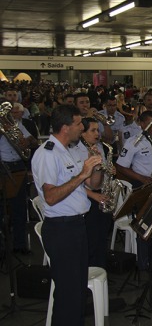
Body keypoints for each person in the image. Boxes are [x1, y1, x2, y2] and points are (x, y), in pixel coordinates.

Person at [31, 105, 103, 325]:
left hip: (76, 227)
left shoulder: (69, 150)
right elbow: (51, 196)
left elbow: (93, 184)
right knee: (67, 294)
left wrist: (96, 165)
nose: (82, 128)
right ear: (65, 127)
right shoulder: (47, 154)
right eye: (79, 123)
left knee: (77, 291)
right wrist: (82, 174)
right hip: (61, 229)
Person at [116, 111, 152, 269]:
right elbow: (121, 166)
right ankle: (144, 261)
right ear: (141, 124)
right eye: (150, 123)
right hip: (143, 185)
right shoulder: (133, 142)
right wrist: (140, 178)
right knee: (144, 223)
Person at [72, 117, 113, 268]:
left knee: (102, 237)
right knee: (92, 239)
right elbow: (75, 181)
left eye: (98, 130)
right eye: (93, 130)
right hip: (88, 197)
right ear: (82, 133)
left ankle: (101, 270)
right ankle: (90, 272)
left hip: (102, 192)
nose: (97, 134)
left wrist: (109, 170)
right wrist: (94, 195)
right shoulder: (77, 151)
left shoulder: (99, 147)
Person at [0, 102, 37, 254]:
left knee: (19, 208)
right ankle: (2, 249)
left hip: (18, 166)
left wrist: (25, 140)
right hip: (2, 166)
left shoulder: (15, 125)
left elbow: (32, 140)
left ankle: (20, 244)